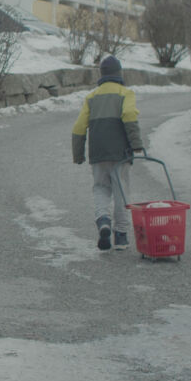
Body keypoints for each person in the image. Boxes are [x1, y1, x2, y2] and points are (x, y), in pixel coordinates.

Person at [73, 55, 144, 251]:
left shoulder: (92, 97)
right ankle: (120, 235)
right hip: (120, 152)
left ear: (102, 75)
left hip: (98, 152)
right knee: (121, 191)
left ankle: (103, 220)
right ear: (119, 73)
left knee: (100, 188)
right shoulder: (125, 93)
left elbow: (79, 126)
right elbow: (129, 116)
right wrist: (136, 143)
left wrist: (78, 154)